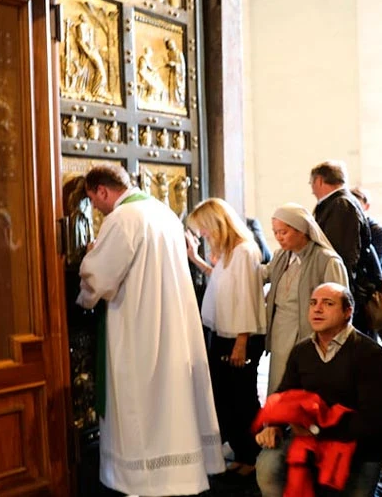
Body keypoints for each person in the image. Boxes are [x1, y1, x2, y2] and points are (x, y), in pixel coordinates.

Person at [76, 164, 224, 496]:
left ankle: (145, 482)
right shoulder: (164, 213)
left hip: (140, 323)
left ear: (102, 190)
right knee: (170, 401)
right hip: (172, 321)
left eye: (93, 200)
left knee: (142, 402)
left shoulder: (123, 218)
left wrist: (88, 265)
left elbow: (99, 277)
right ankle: (178, 477)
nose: (96, 210)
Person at [255, 283, 382, 497]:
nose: (317, 309)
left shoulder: (372, 355)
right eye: (313, 303)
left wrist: (315, 431)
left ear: (348, 312)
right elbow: (283, 394)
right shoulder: (302, 350)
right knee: (267, 467)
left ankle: (380, 481)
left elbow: (373, 422)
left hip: (360, 445)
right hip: (309, 435)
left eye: (328, 303)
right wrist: (273, 426)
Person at [185, 198, 267, 477]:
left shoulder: (244, 251)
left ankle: (254, 456)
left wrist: (241, 342)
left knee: (242, 399)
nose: (204, 235)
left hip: (240, 337)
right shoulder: (229, 252)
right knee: (226, 397)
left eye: (204, 229)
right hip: (224, 334)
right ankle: (243, 452)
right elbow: (221, 283)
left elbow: (246, 298)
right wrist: (196, 258)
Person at [263, 203, 348, 395]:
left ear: (301, 230)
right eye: (275, 232)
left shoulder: (327, 260)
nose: (278, 237)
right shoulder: (281, 256)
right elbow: (262, 274)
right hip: (280, 332)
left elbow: (338, 302)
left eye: (283, 232)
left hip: (311, 334)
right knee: (279, 385)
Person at [310, 160, 382, 334]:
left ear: (319, 181)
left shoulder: (340, 205)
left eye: (312, 183)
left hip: (347, 294)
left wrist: (339, 297)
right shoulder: (342, 203)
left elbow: (342, 255)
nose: (312, 190)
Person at [348, 187, 382, 277]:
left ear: (366, 206)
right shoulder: (346, 228)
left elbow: (373, 265)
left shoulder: (379, 231)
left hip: (373, 282)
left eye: (356, 205)